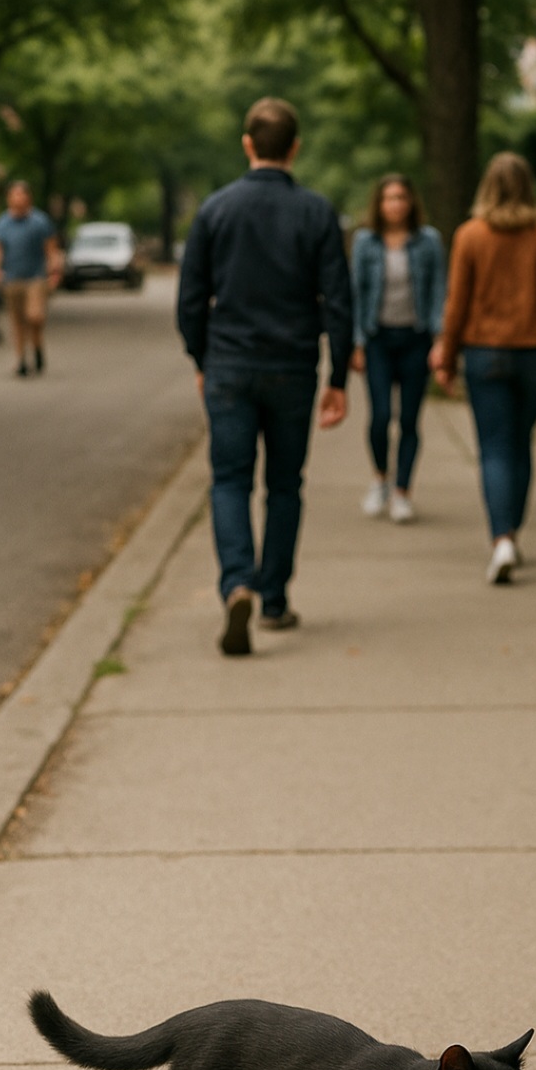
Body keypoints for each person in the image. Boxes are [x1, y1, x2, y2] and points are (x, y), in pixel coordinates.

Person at [177, 97, 352, 656]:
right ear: (295, 147)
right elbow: (338, 302)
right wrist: (339, 377)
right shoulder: (317, 212)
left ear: (248, 144)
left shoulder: (215, 210)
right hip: (292, 368)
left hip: (229, 363)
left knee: (229, 479)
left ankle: (237, 583)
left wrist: (202, 359)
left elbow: (188, 300)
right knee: (283, 484)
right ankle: (274, 599)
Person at [433, 152, 536, 583]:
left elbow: (457, 303)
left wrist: (447, 355)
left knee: (494, 447)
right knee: (519, 443)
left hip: (485, 353)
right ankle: (514, 531)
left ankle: (502, 539)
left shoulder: (470, 235)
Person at [351, 175, 445, 523]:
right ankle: (380, 480)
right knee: (379, 417)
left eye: (402, 197)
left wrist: (439, 338)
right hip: (377, 339)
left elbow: (438, 288)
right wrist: (356, 342)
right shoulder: (365, 242)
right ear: (379, 204)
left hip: (415, 339)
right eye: (389, 198)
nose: (396, 204)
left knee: (408, 418)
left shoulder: (428, 241)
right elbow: (355, 292)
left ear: (411, 202)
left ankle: (403, 491)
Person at [0, 181, 61, 378]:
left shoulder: (40, 222)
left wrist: (55, 271)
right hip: (12, 278)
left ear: (28, 198)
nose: (18, 199)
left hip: (36, 278)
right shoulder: (1, 224)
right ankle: (21, 359)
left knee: (34, 316)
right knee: (18, 321)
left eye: (21, 195)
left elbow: (51, 250)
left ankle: (37, 345)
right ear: (8, 198)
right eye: (14, 195)